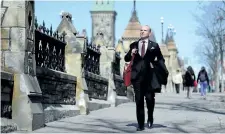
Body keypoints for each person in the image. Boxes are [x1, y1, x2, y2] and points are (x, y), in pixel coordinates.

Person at [124, 25, 165, 131]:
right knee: (139, 101)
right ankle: (141, 124)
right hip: (137, 77)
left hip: (150, 77)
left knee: (150, 100)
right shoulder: (134, 45)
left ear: (149, 33)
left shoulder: (154, 46)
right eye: (141, 30)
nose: (142, 32)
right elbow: (126, 58)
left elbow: (161, 60)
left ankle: (150, 117)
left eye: (145, 30)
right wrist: (130, 53)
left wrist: (154, 65)